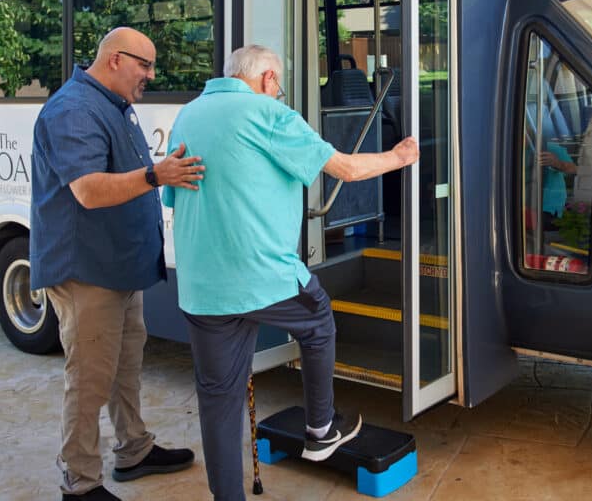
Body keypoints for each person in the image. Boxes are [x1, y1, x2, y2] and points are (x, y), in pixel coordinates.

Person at [163, 44, 419, 501]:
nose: (278, 89)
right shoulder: (269, 114)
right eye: (277, 81)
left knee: (219, 403)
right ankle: (320, 429)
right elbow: (345, 167)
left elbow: (173, 196)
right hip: (260, 275)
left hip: (201, 285)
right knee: (318, 319)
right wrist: (400, 157)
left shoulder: (188, 116)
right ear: (266, 79)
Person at [31, 27, 205, 501]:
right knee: (89, 379)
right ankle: (81, 483)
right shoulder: (72, 110)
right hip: (87, 271)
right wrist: (156, 174)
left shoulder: (112, 104)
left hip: (118, 267)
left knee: (124, 365)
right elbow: (88, 189)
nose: (150, 75)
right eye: (144, 65)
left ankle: (133, 449)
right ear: (113, 60)